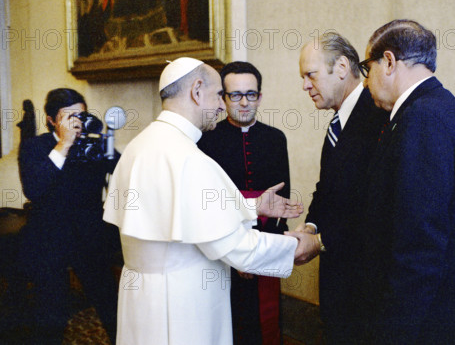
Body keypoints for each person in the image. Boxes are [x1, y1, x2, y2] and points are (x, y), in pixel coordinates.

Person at [103, 57, 307, 345]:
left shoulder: (139, 145)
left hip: (141, 299)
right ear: (197, 91)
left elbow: (186, 209)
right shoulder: (189, 157)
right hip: (183, 303)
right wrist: (299, 246)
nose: (223, 105)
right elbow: (236, 248)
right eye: (217, 95)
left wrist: (252, 206)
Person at [360, 19, 455, 344]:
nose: (365, 83)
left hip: (431, 323)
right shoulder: (441, 106)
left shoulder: (422, 117)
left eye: (368, 68)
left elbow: (420, 245)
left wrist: (393, 333)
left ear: (389, 62)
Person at [287, 32, 387, 344]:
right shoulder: (340, 120)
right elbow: (327, 186)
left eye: (310, 75)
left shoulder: (377, 116)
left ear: (342, 66)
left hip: (366, 294)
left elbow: (377, 208)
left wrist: (319, 242)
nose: (305, 86)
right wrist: (311, 226)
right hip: (338, 289)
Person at [17, 88, 120, 344]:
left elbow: (124, 173)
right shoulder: (34, 147)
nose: (77, 122)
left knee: (111, 307)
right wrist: (63, 144)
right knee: (50, 313)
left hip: (90, 238)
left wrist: (105, 143)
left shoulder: (93, 144)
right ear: (51, 119)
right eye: (69, 116)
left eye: (81, 115)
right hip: (48, 240)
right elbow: (34, 188)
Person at [198, 61, 290, 345]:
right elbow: (206, 203)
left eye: (251, 94)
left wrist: (260, 252)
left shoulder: (275, 139)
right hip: (222, 249)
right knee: (228, 323)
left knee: (265, 323)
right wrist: (237, 254)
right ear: (224, 99)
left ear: (260, 97)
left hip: (264, 247)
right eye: (235, 95)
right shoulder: (206, 140)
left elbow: (281, 203)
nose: (244, 102)